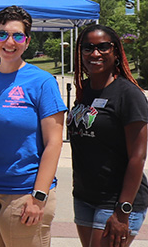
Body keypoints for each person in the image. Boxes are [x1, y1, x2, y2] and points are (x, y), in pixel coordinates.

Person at [0, 6, 66, 247]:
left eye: (18, 35)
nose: (10, 41)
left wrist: (39, 196)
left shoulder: (42, 82)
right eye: (2, 34)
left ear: (27, 42)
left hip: (25, 192)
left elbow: (54, 143)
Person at [68, 24, 148, 247]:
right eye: (88, 48)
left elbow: (137, 157)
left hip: (117, 201)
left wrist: (123, 210)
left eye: (103, 47)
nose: (95, 53)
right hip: (85, 197)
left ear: (116, 52)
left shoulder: (129, 94)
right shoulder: (84, 90)